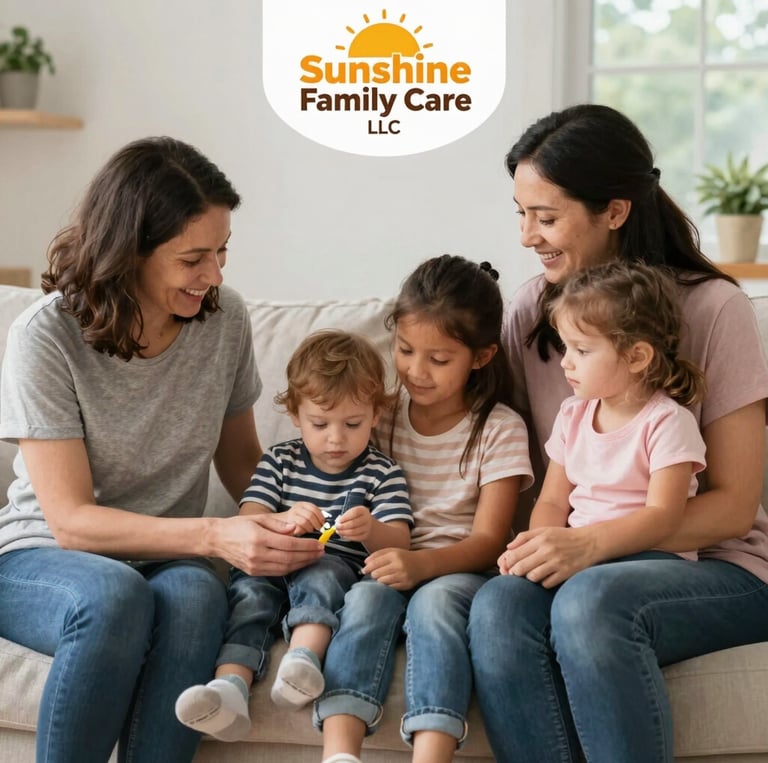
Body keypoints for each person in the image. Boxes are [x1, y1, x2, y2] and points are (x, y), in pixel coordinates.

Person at [0, 136, 325, 763]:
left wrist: (295, 518)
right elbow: (70, 522)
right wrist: (213, 536)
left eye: (222, 251)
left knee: (198, 595)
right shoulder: (47, 336)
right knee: (114, 596)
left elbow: (241, 465)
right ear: (130, 254)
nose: (215, 275)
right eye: (193, 258)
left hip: (167, 554)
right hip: (41, 555)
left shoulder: (224, 318)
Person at [468, 104, 768, 763]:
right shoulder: (531, 313)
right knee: (496, 609)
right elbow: (533, 479)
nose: (527, 236)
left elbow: (734, 505)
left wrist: (589, 546)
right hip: (589, 554)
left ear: (615, 209)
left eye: (546, 217)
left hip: (721, 566)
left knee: (591, 603)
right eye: (520, 213)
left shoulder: (714, 309)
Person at [315, 255, 534, 763]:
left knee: (434, 608)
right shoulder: (381, 416)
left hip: (457, 571)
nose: (416, 371)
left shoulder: (499, 428)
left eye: (439, 360)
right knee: (365, 603)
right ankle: (339, 753)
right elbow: (346, 491)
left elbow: (489, 543)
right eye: (406, 350)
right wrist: (317, 532)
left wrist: (420, 565)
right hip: (385, 564)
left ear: (480, 357)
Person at [174, 329, 412, 742]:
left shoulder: (381, 473)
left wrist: (371, 530)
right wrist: (284, 518)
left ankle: (302, 662)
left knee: (324, 575)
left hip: (331, 565)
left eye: (352, 423)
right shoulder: (280, 460)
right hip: (269, 562)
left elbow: (400, 545)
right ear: (296, 415)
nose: (336, 439)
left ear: (376, 416)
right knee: (248, 597)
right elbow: (249, 516)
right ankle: (229, 688)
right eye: (320, 423)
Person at [498, 260, 706, 587]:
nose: (565, 361)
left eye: (581, 350)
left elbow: (663, 516)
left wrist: (589, 548)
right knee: (500, 596)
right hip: (577, 555)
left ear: (637, 357)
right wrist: (538, 548)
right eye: (566, 346)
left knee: (586, 591)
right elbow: (552, 500)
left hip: (650, 556)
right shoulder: (572, 414)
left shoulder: (668, 422)